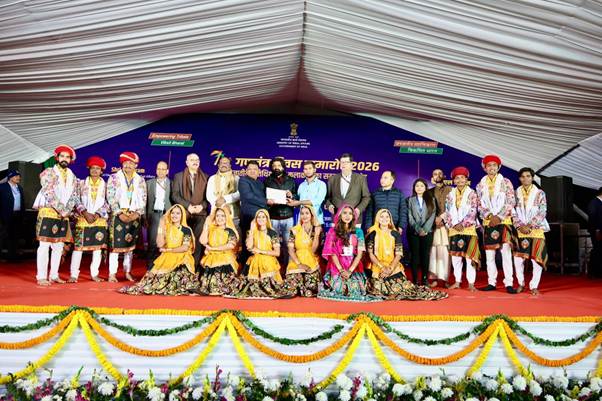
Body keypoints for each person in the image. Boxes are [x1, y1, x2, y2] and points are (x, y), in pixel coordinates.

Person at [366, 209, 447, 301]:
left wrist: (390, 268)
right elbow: (370, 254)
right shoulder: (373, 233)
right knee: (378, 289)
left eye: (387, 217)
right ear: (377, 218)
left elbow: (399, 254)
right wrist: (382, 268)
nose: (384, 219)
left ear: (390, 219)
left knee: (403, 288)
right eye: (382, 216)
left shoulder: (395, 233)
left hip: (393, 266)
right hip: (378, 267)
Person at [119, 204, 200, 295]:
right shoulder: (166, 228)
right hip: (166, 257)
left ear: (182, 215)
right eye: (173, 213)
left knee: (178, 275)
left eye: (178, 213)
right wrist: (161, 225)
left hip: (181, 258)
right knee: (154, 281)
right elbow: (160, 244)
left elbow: (185, 247)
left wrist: (169, 250)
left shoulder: (186, 230)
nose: (174, 215)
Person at [32, 145, 79, 286]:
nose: (65, 159)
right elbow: (48, 192)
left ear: (70, 160)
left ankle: (54, 275)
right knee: (44, 245)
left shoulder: (72, 175)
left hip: (63, 214)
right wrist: (63, 210)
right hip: (49, 211)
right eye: (62, 156)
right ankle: (41, 276)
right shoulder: (48, 172)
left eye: (67, 157)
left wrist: (67, 210)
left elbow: (74, 195)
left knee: (58, 246)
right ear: (57, 158)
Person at [318, 204, 377, 302]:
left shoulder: (358, 231)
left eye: (350, 213)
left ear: (353, 216)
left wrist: (350, 271)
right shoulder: (333, 231)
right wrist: (341, 270)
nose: (347, 216)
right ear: (340, 215)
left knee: (355, 288)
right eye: (344, 213)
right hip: (337, 265)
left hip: (353, 265)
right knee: (339, 288)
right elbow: (332, 253)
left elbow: (359, 254)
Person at [476, 154, 517, 293]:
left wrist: (499, 217)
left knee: (506, 253)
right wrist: (489, 216)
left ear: (498, 167)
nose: (491, 167)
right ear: (485, 168)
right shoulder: (480, 184)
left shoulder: (506, 182)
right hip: (489, 222)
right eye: (489, 165)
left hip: (504, 221)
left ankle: (509, 283)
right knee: (490, 255)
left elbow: (511, 201)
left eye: (494, 165)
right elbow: (479, 204)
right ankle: (491, 282)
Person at [106, 152, 147, 282]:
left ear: (136, 165)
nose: (128, 165)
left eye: (131, 163)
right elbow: (110, 197)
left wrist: (137, 213)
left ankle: (127, 272)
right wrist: (119, 213)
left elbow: (144, 198)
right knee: (115, 247)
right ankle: (112, 274)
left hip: (134, 216)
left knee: (130, 247)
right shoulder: (114, 178)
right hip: (118, 215)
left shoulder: (140, 180)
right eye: (125, 163)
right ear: (122, 164)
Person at [229, 209, 286, 299]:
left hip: (268, 261)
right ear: (255, 219)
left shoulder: (272, 233)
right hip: (254, 260)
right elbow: (249, 247)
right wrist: (252, 230)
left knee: (272, 288)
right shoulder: (252, 232)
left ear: (267, 219)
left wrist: (260, 251)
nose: (261, 219)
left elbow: (277, 253)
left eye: (263, 217)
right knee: (244, 287)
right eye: (258, 217)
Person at [69, 156, 109, 282]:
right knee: (78, 248)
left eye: (98, 168)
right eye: (93, 168)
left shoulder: (107, 185)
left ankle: (94, 274)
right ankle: (74, 275)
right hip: (83, 219)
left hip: (99, 220)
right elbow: (75, 198)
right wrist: (85, 213)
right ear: (89, 169)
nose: (95, 170)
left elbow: (109, 202)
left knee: (97, 249)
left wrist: (97, 214)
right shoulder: (81, 183)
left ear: (101, 171)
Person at [513, 168, 549, 295]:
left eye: (528, 176)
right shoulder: (515, 193)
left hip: (536, 229)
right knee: (518, 259)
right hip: (521, 230)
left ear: (532, 178)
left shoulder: (539, 193)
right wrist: (520, 226)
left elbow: (542, 211)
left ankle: (534, 286)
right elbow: (512, 211)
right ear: (520, 178)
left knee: (536, 259)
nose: (525, 179)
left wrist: (530, 225)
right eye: (523, 176)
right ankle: (521, 283)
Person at [445, 167, 480, 291]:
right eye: (457, 178)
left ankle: (471, 283)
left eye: (462, 178)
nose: (460, 180)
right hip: (454, 229)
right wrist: (454, 224)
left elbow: (473, 210)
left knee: (470, 257)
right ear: (454, 180)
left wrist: (463, 224)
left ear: (466, 180)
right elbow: (447, 211)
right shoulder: (450, 194)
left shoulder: (472, 193)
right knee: (456, 258)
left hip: (468, 229)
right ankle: (457, 281)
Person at [171, 153, 209, 267]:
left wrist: (202, 206)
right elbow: (175, 195)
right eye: (192, 160)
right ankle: (182, 266)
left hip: (200, 214)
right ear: (187, 163)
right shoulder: (178, 176)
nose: (195, 162)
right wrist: (188, 206)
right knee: (183, 241)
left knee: (197, 241)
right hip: (184, 214)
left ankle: (195, 267)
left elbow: (208, 198)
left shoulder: (206, 177)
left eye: (197, 160)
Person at [282, 205, 322, 297]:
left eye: (307, 213)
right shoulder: (295, 230)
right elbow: (290, 250)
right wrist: (299, 264)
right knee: (292, 285)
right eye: (302, 213)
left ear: (312, 215)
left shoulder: (316, 229)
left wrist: (316, 235)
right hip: (297, 260)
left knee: (310, 288)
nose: (304, 216)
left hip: (311, 260)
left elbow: (313, 250)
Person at [199, 206, 240, 295]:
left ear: (226, 217)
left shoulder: (229, 230)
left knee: (220, 275)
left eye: (222, 216)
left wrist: (213, 249)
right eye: (217, 216)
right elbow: (203, 241)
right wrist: (206, 225)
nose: (219, 218)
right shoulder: (211, 229)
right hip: (211, 257)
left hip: (225, 258)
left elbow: (231, 245)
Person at [264, 157, 297, 265]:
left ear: (283, 167)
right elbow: (263, 197)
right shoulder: (267, 181)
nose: (276, 168)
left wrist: (292, 196)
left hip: (288, 216)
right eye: (274, 166)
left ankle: (289, 266)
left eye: (279, 165)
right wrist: (268, 201)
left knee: (289, 244)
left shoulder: (291, 180)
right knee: (274, 244)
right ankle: (275, 267)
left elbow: (297, 196)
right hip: (273, 216)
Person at [325, 153, 371, 225]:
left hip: (354, 218)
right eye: (341, 162)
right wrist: (329, 205)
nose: (343, 164)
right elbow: (327, 197)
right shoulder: (332, 179)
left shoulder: (361, 179)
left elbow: (366, 197)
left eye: (346, 162)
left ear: (351, 164)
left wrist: (359, 209)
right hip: (336, 218)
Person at [407, 178, 436, 286]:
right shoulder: (409, 200)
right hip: (413, 232)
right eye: (417, 186)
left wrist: (425, 229)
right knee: (414, 256)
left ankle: (424, 279)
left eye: (421, 186)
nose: (419, 188)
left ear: (425, 188)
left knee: (425, 256)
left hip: (427, 232)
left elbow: (433, 215)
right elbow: (409, 216)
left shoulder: (431, 200)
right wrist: (418, 229)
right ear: (414, 188)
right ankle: (415, 279)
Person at [427, 168, 452, 288]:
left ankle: (445, 279)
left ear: (444, 176)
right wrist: (435, 220)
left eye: (440, 173)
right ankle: (434, 278)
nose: (438, 175)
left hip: (446, 225)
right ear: (432, 177)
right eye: (435, 174)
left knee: (445, 252)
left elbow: (453, 207)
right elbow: (428, 209)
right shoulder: (429, 192)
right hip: (434, 225)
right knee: (433, 252)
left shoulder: (450, 190)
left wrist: (442, 218)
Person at [146, 161, 172, 269]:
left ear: (167, 171)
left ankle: (164, 266)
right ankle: (150, 267)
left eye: (163, 169)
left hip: (167, 215)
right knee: (152, 242)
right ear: (156, 170)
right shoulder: (149, 183)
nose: (161, 171)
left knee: (166, 241)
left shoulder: (172, 183)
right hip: (154, 215)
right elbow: (145, 202)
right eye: (159, 169)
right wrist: (144, 217)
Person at [364, 170, 407, 235]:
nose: (382, 180)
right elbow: (369, 211)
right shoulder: (375, 193)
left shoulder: (399, 193)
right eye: (381, 177)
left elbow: (403, 211)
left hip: (394, 227)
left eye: (385, 178)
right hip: (377, 228)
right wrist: (368, 226)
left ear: (392, 180)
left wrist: (401, 226)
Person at [206, 155, 240, 228]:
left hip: (233, 213)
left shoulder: (236, 178)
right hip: (216, 213)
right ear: (218, 165)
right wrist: (222, 205)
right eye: (221, 163)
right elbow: (209, 196)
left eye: (226, 163)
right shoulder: (212, 178)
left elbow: (239, 194)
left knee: (233, 233)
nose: (223, 165)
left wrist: (225, 199)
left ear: (230, 166)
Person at [289, 160, 327, 225]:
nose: (308, 171)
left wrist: (299, 202)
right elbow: (298, 202)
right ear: (303, 171)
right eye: (305, 169)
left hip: (316, 221)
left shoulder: (321, 184)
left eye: (310, 168)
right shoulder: (301, 185)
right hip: (302, 221)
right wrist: (291, 197)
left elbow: (317, 201)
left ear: (314, 170)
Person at [0, 170, 24, 262]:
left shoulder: (20, 188)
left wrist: (22, 214)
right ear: (10, 177)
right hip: (5, 215)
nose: (18, 177)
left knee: (14, 236)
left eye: (19, 176)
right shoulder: (2, 187)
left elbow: (22, 202)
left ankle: (12, 256)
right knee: (2, 236)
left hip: (17, 215)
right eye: (16, 176)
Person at [238, 160, 267, 237]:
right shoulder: (243, 180)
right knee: (248, 240)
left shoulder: (260, 183)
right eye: (250, 169)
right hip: (248, 217)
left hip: (260, 218)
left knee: (259, 240)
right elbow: (249, 196)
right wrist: (266, 201)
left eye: (255, 169)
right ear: (246, 171)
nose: (252, 171)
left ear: (258, 171)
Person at [587, 187, 602, 276]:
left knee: (599, 250)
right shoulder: (594, 202)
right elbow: (592, 217)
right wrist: (597, 230)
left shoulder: (599, 202)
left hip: (599, 230)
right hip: (597, 231)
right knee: (597, 250)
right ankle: (593, 272)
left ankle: (598, 271)